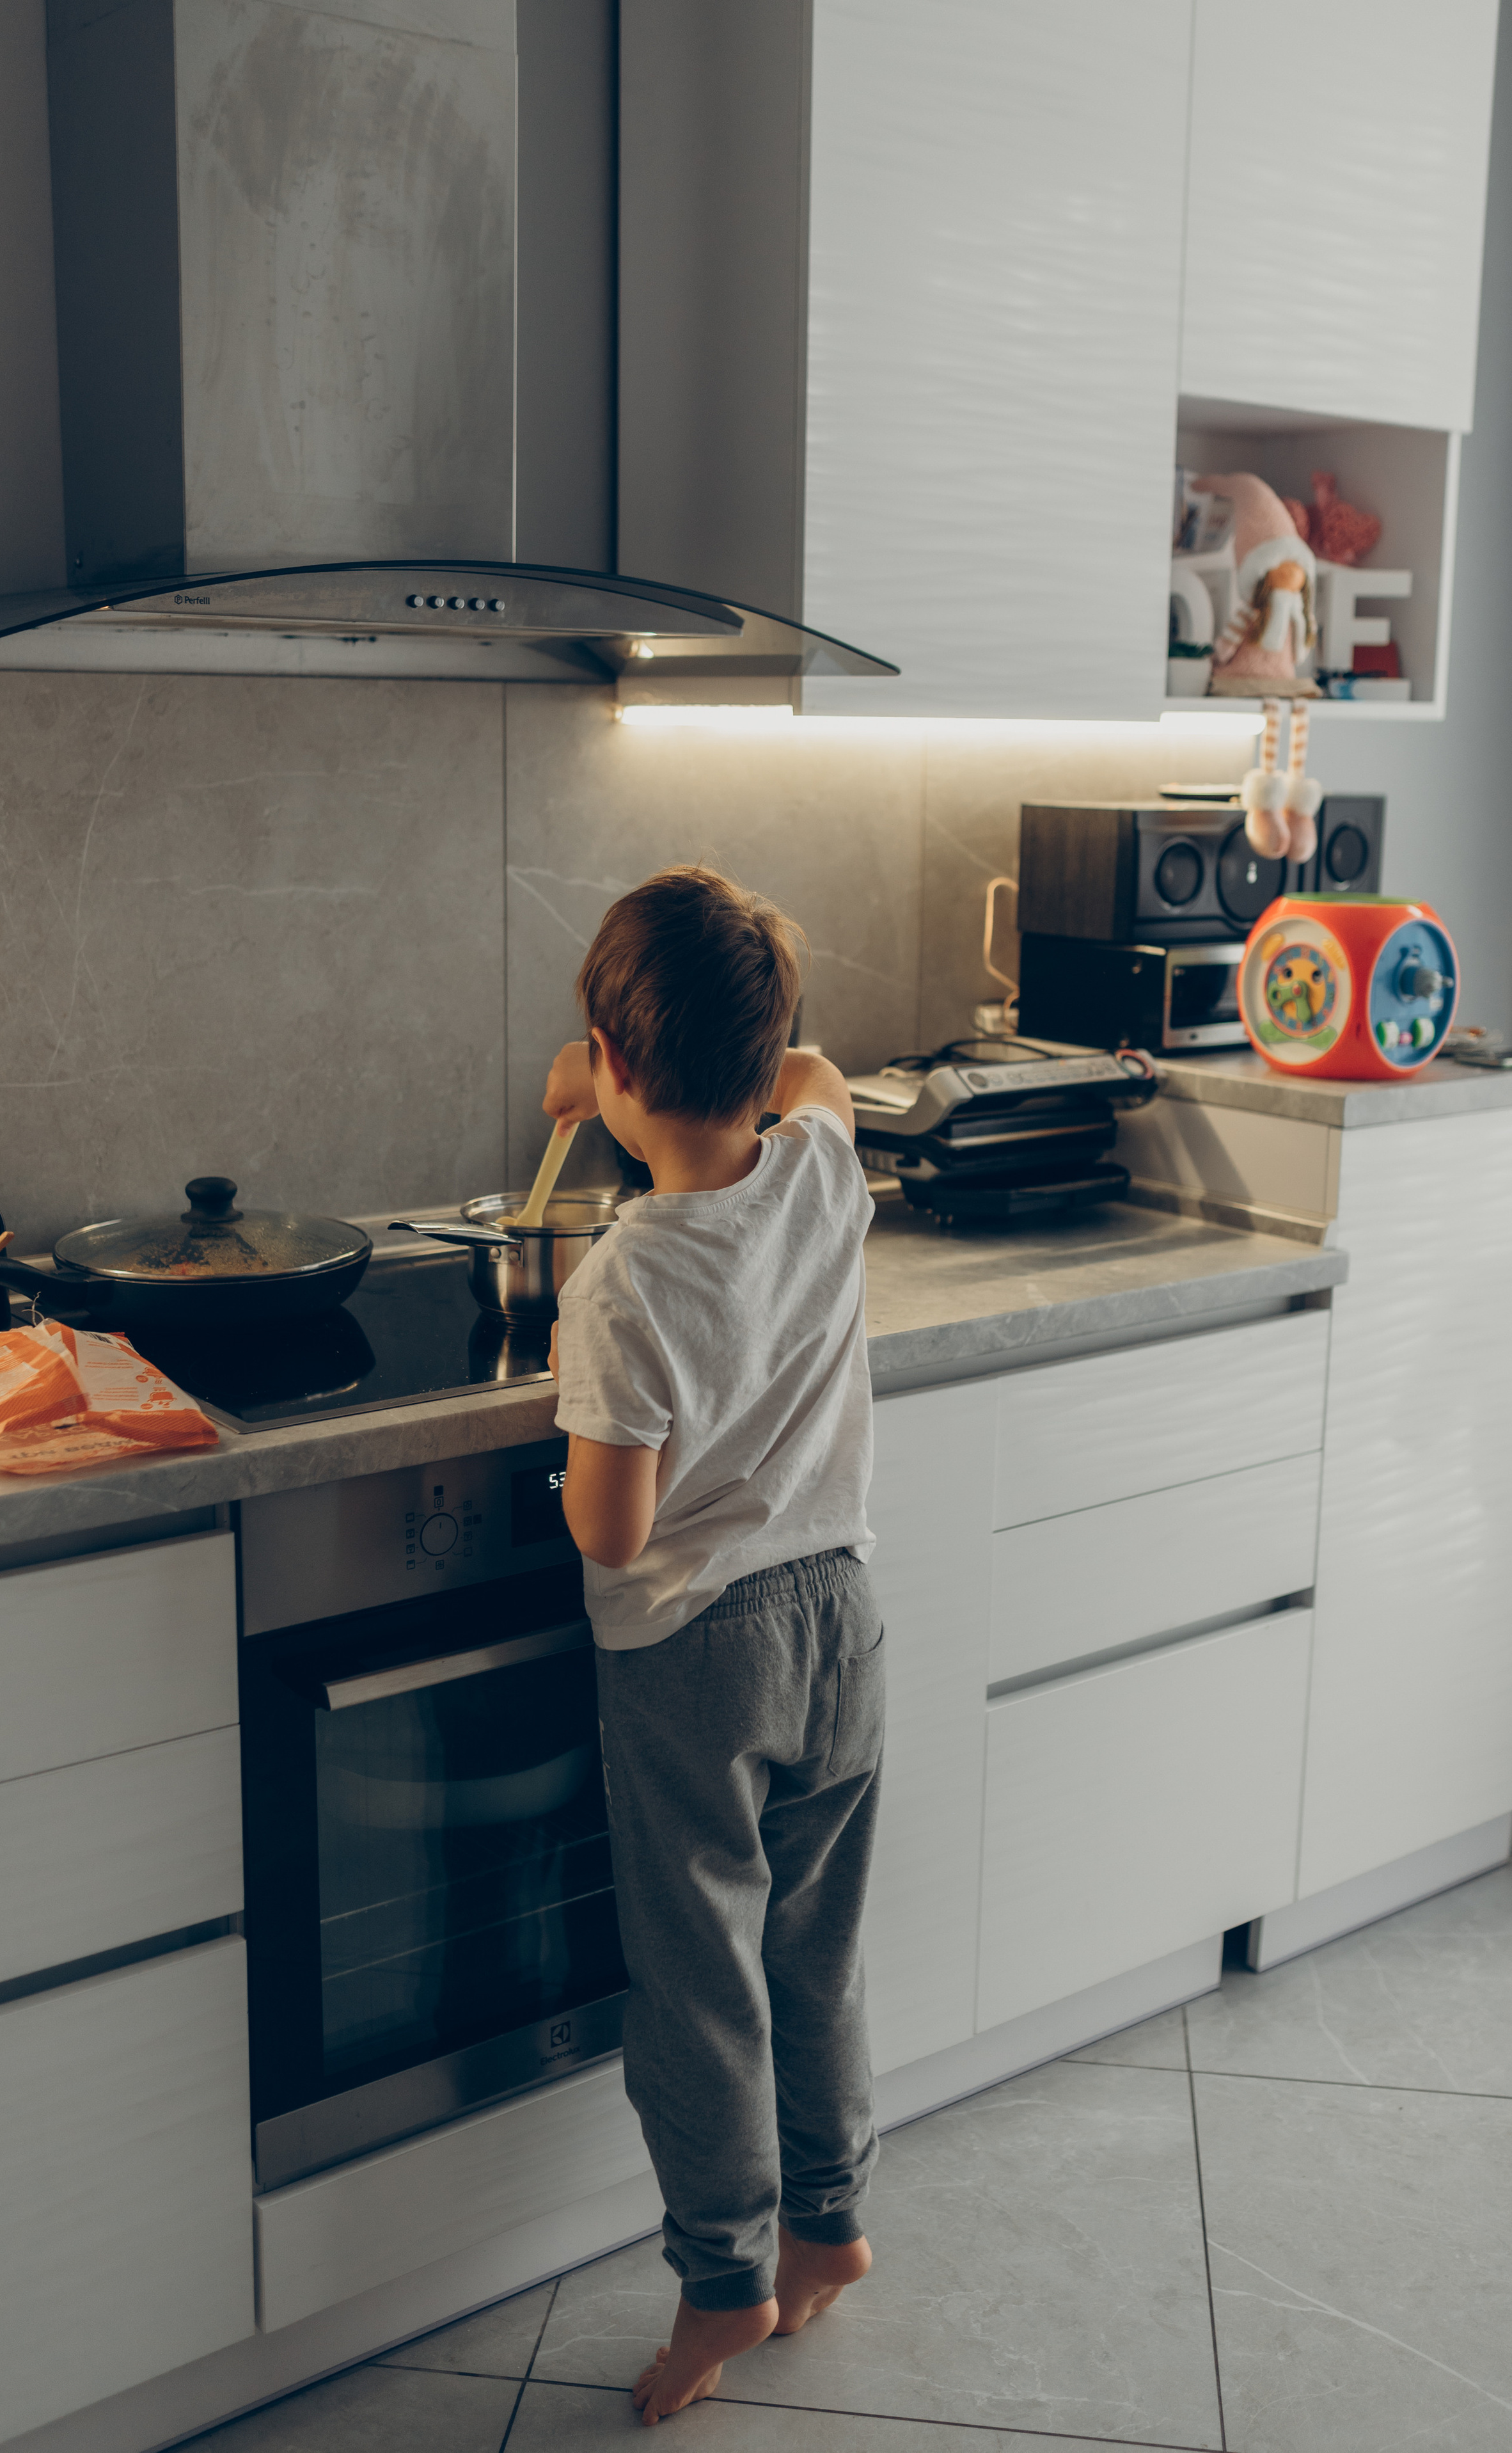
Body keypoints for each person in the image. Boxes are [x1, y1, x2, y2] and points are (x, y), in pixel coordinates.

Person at [540, 865, 883, 2426]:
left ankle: (719, 2285)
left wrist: (566, 1445)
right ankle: (827, 2224)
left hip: (698, 1649)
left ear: (609, 1073)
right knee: (813, 1950)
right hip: (841, 1621)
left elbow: (611, 1529)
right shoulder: (823, 1166)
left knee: (699, 1985)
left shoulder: (621, 1280)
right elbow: (813, 1077)